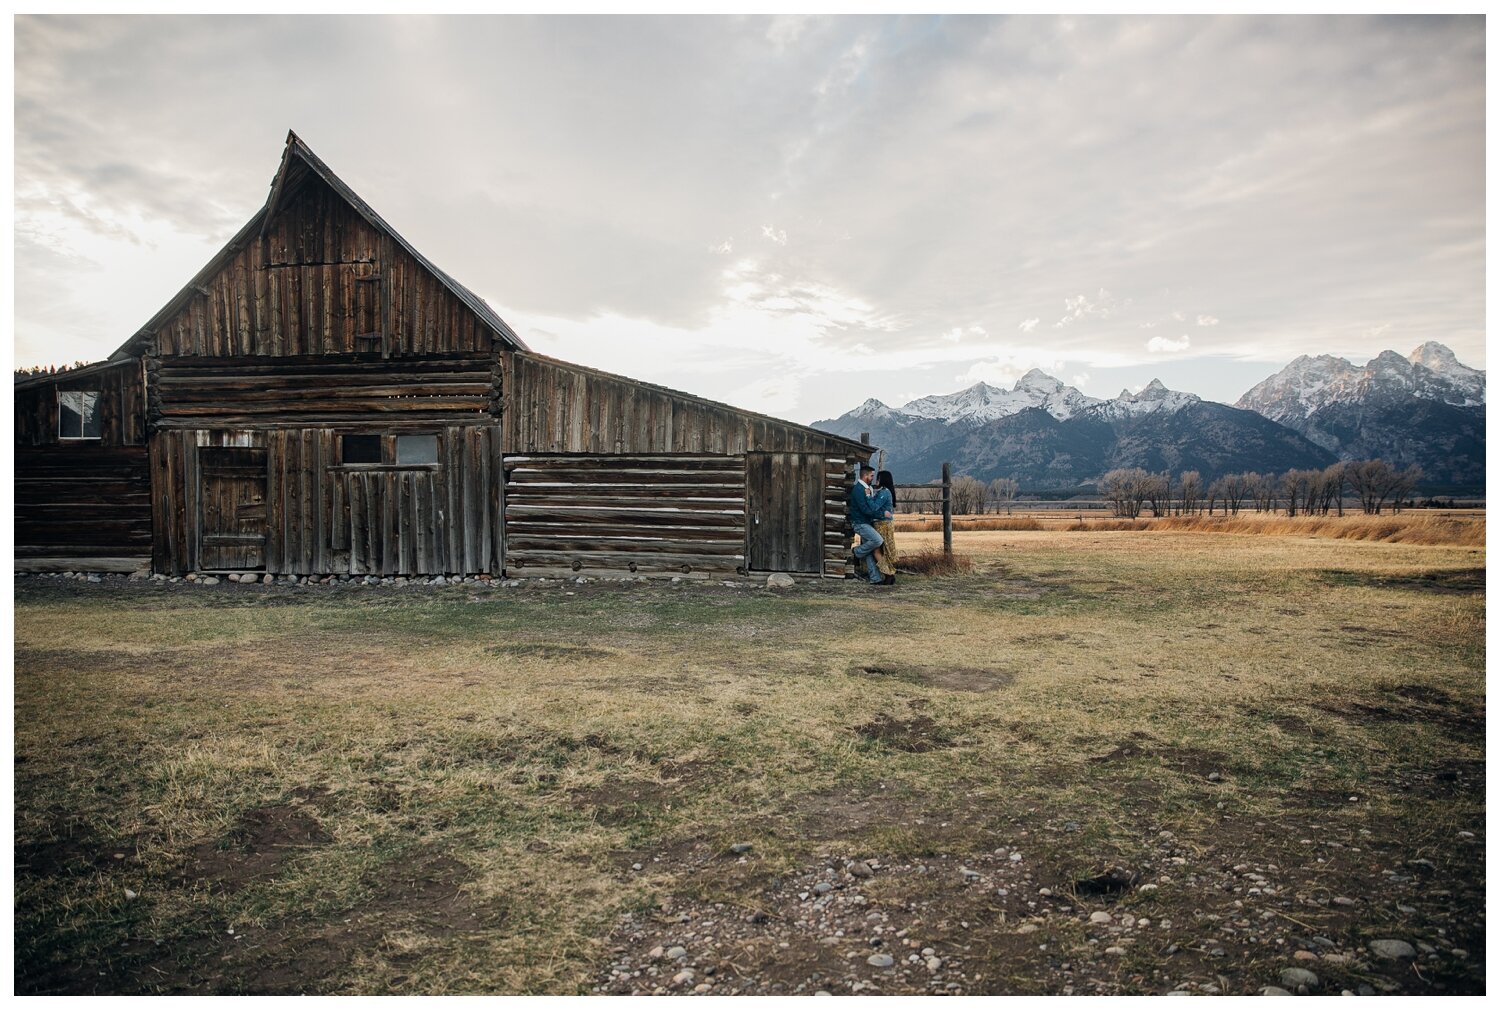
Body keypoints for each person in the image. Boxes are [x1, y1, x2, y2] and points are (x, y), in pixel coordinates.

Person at [847, 462, 891, 586]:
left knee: (870, 550)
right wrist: (882, 515)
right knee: (878, 541)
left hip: (867, 523)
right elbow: (865, 510)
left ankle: (875, 578)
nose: (873, 478)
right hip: (860, 523)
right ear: (865, 476)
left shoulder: (867, 489)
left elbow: (871, 507)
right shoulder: (858, 490)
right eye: (872, 476)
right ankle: (856, 552)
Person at [871, 470, 898, 585]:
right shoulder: (886, 492)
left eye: (878, 478)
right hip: (884, 523)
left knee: (878, 550)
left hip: (883, 524)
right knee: (883, 549)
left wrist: (868, 496)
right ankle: (889, 574)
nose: (876, 480)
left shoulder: (883, 493)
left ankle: (889, 574)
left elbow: (874, 507)